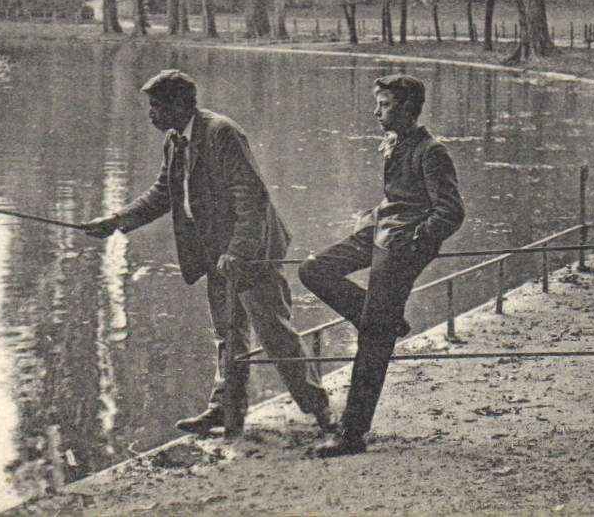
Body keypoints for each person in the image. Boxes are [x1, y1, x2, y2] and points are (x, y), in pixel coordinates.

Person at [81, 69, 334, 438]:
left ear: (181, 104)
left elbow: (253, 197)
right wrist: (118, 220)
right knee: (227, 333)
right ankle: (224, 410)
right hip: (216, 253)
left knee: (272, 331)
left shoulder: (221, 134)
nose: (151, 114)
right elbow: (163, 193)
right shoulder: (174, 140)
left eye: (157, 106)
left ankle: (320, 410)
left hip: (251, 250)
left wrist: (239, 252)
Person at [299, 74, 465, 457]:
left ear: (407, 109)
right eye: (378, 104)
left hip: (401, 247)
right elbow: (399, 199)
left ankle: (351, 433)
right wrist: (371, 217)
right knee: (313, 270)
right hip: (379, 233)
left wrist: (415, 242)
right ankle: (385, 319)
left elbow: (451, 213)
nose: (376, 112)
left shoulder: (431, 151)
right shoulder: (396, 144)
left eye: (385, 105)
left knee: (372, 340)